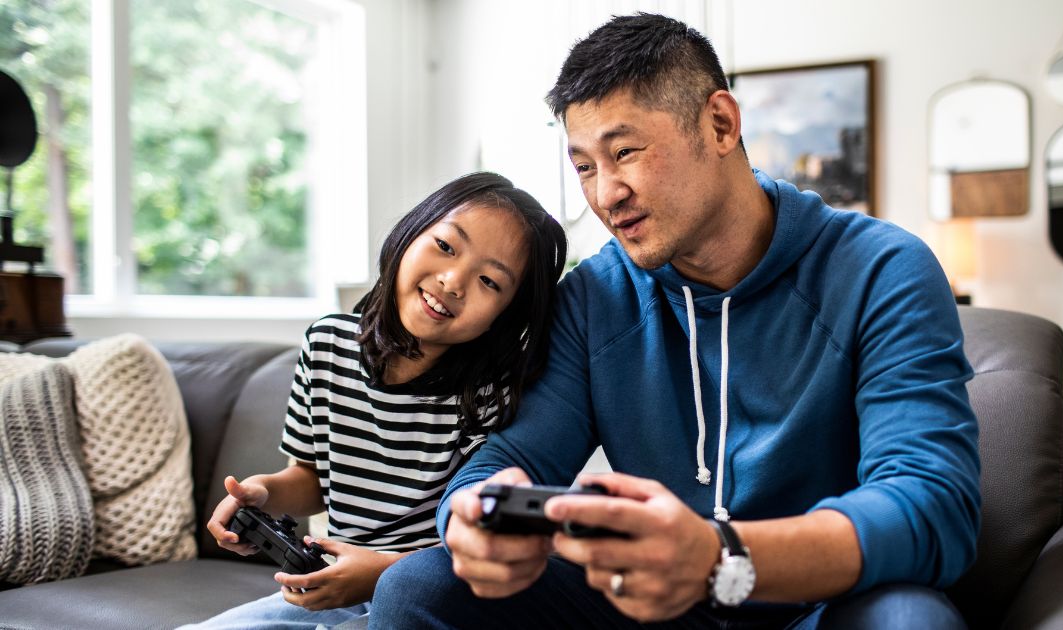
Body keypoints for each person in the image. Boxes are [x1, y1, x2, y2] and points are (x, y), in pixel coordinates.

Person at [371, 13, 980, 630]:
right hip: (648, 610)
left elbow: (932, 505)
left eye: (625, 152)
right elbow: (514, 455)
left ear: (720, 124)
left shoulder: (883, 268)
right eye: (584, 166)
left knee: (911, 620)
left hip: (820, 605)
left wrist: (720, 557)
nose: (606, 194)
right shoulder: (592, 296)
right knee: (421, 585)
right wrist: (470, 517)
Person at [181, 172, 567, 629]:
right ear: (410, 232)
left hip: (434, 595)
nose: (452, 280)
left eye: (488, 280)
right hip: (332, 587)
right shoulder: (326, 344)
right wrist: (263, 493)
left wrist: (382, 572)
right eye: (445, 246)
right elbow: (310, 478)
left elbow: (482, 536)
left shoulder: (491, 392)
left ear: (506, 315)